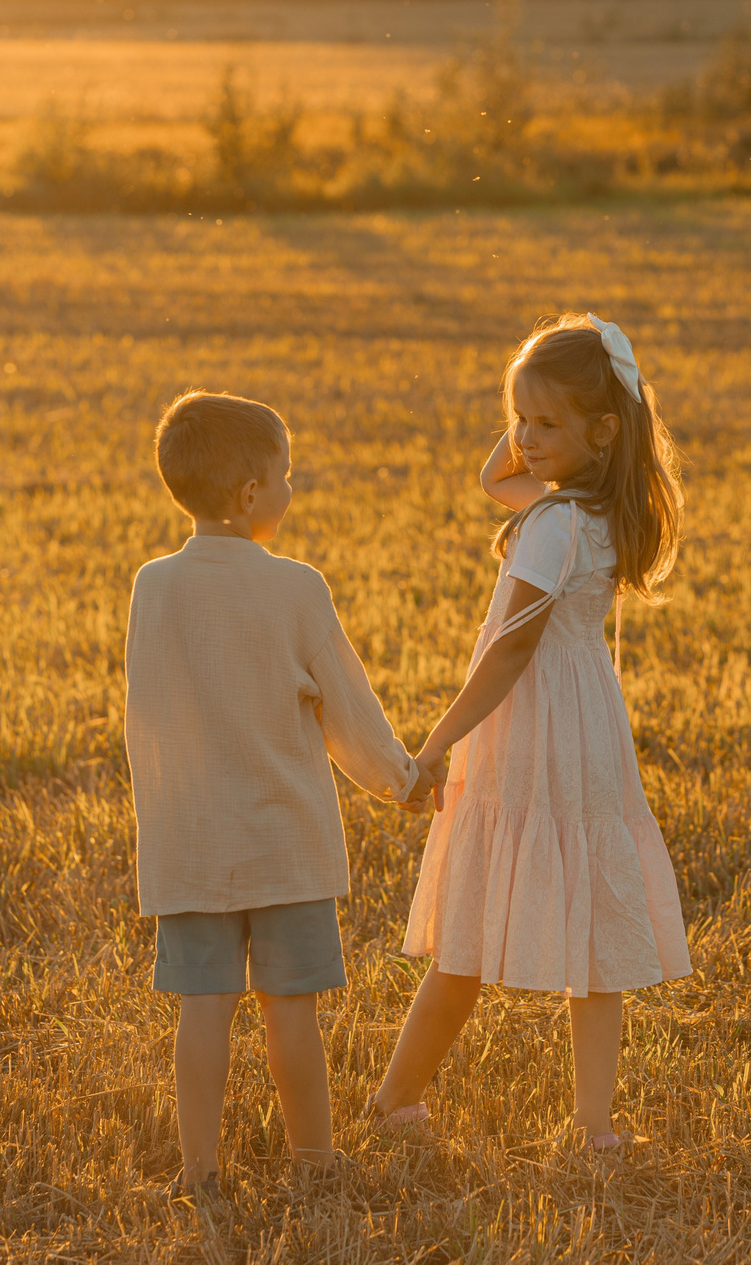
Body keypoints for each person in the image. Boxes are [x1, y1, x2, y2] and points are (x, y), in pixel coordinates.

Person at [369, 313, 692, 1157]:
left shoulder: (554, 523)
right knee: (595, 938)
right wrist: (556, 414)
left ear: (604, 429)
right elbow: (495, 478)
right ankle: (593, 1125)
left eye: (545, 423)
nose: (523, 439)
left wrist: (436, 740)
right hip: (584, 727)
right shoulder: (594, 511)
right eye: (519, 418)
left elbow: (510, 649)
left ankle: (396, 1095)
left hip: (526, 728)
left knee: (465, 931)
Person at [124, 389, 434, 1204]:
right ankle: (316, 1161)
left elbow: (146, 719)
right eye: (285, 477)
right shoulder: (297, 588)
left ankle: (199, 1173)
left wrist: (160, 825)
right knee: (290, 1008)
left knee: (203, 1007)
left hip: (190, 840)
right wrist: (400, 780)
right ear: (251, 494)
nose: (291, 491)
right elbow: (348, 710)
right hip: (285, 841)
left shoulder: (152, 588)